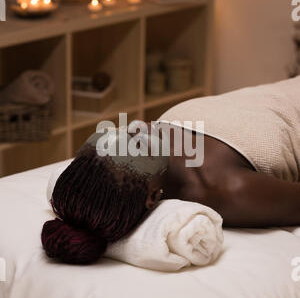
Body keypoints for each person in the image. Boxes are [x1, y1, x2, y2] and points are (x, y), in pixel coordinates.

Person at [42, 76, 300, 265]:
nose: (132, 127)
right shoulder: (228, 190)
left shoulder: (158, 142)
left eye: (109, 136)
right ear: (153, 196)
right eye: (136, 145)